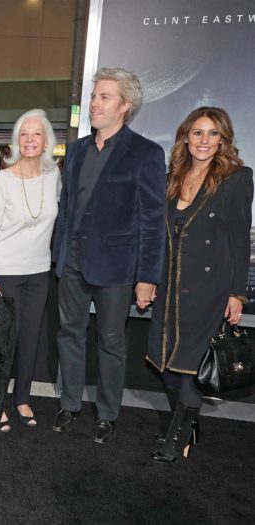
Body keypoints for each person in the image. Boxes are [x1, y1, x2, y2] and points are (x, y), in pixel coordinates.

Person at [52, 67, 167, 443]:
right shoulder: (77, 149)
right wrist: (60, 252)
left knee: (111, 341)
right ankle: (68, 405)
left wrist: (147, 277)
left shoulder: (146, 153)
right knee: (69, 334)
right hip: (71, 262)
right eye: (94, 96)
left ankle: (107, 413)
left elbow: (153, 220)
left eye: (104, 97)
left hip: (116, 267)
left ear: (125, 106)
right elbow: (68, 207)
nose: (94, 103)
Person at [147, 107, 252, 463]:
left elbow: (240, 238)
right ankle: (188, 423)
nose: (203, 141)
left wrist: (238, 292)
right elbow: (160, 236)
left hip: (209, 289)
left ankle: (176, 439)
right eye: (197, 133)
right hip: (170, 286)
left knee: (192, 366)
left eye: (212, 134)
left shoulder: (236, 178)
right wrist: (149, 278)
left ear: (223, 139)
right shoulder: (173, 177)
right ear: (185, 137)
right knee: (165, 363)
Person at [0, 108, 60, 431]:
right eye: (24, 134)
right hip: (6, 271)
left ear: (45, 141)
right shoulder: (3, 179)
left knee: (30, 337)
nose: (29, 140)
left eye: (36, 134)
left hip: (39, 272)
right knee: (3, 340)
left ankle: (22, 397)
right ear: (17, 140)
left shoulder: (54, 176)